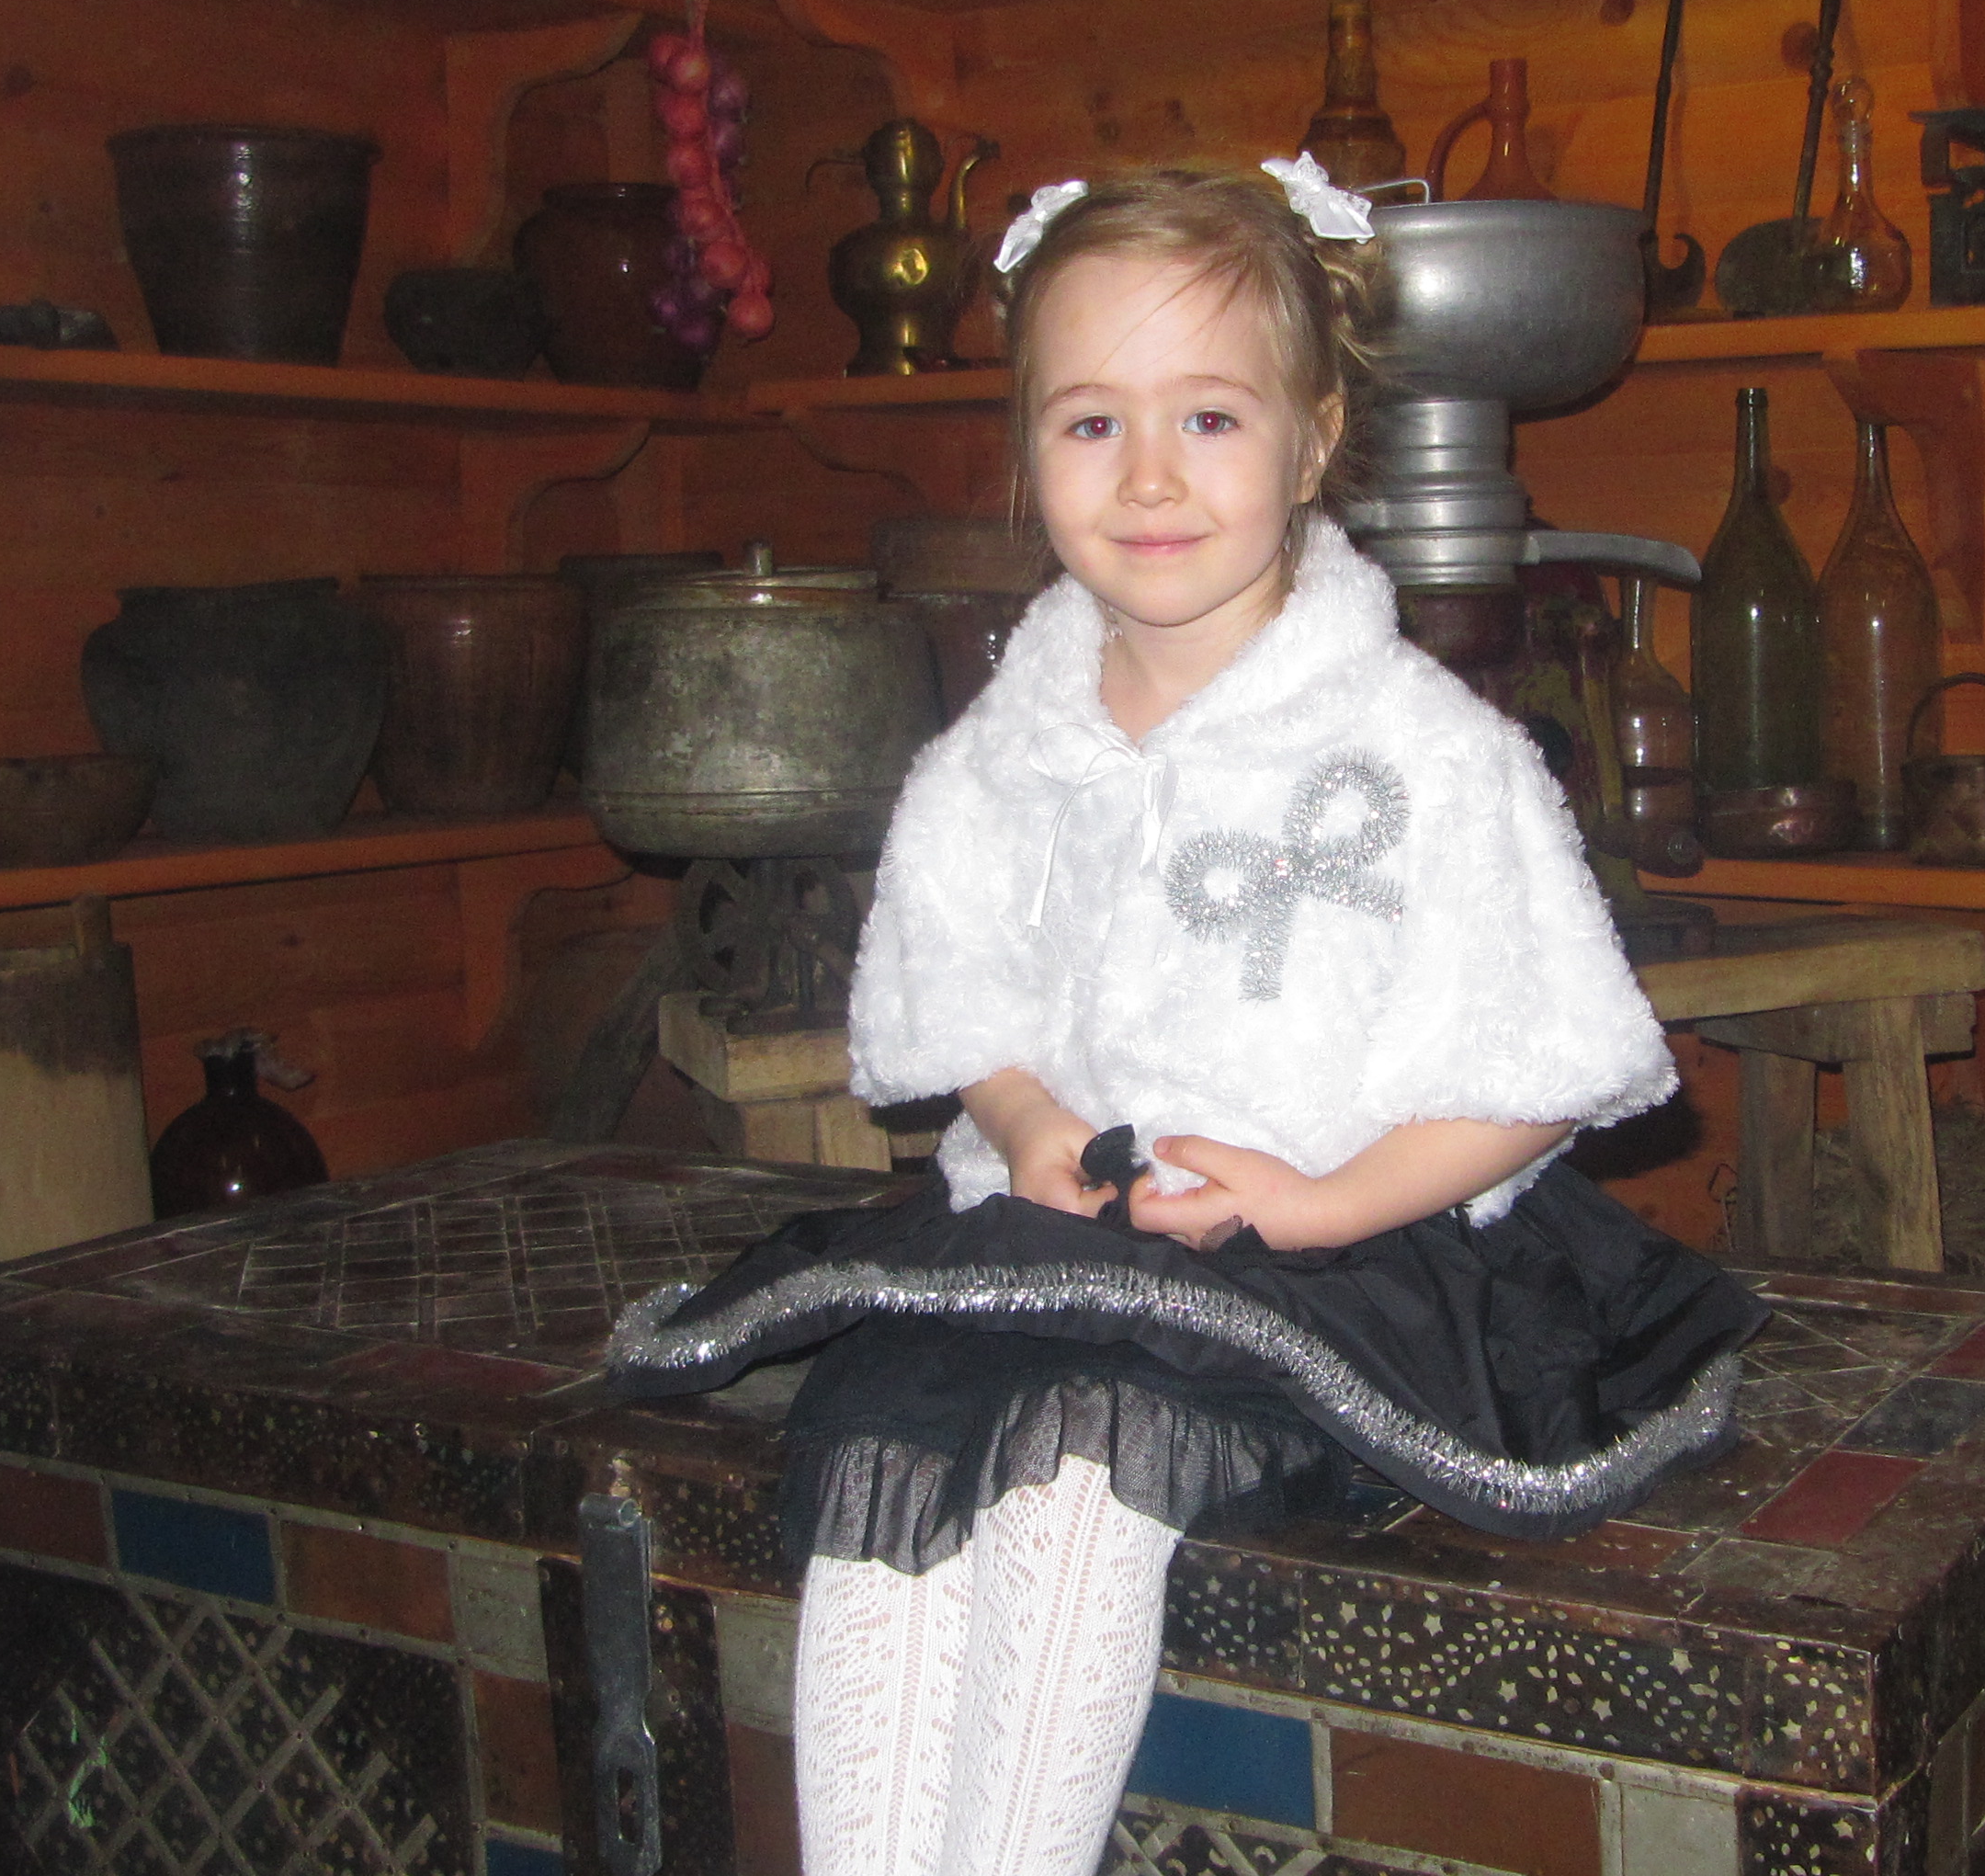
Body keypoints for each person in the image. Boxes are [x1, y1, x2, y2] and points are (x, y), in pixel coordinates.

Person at [610, 159, 1766, 1876]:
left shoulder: (1428, 755)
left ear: (1310, 444)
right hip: (1047, 1252)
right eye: (1092, 423)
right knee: (882, 1492)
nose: (1148, 475)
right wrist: (1023, 1123)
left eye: (1209, 418)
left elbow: (1550, 1063)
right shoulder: (999, 758)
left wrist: (1321, 1200)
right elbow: (957, 998)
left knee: (1079, 1486)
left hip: (1335, 1261)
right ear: (1027, 454)